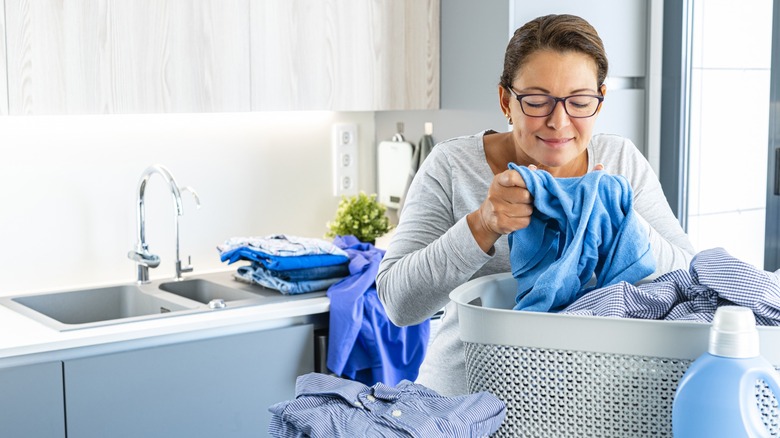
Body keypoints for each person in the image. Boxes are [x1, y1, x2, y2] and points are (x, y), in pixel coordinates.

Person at [375, 13, 696, 397]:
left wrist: (621, 218)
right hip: (461, 404)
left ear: (600, 100)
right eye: (537, 101)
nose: (558, 122)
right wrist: (481, 225)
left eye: (579, 102)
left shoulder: (621, 161)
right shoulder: (452, 165)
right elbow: (398, 303)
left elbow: (688, 278)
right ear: (505, 100)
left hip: (592, 402)